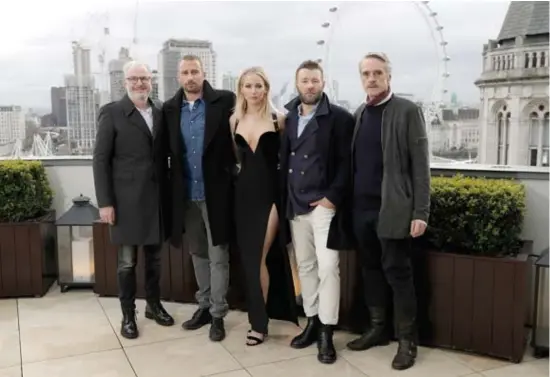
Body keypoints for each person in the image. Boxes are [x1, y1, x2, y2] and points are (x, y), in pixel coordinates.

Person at [345, 52, 430, 371]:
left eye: (378, 73)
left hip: (393, 210)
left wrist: (420, 211)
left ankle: (407, 341)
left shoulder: (407, 111)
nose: (372, 78)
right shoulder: (360, 114)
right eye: (366, 73)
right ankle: (378, 329)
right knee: (370, 271)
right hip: (361, 210)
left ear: (389, 77)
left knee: (398, 273)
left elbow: (421, 167)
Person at [92, 61, 174, 339]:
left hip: (156, 199)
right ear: (124, 82)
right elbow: (100, 160)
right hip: (125, 201)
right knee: (127, 262)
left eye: (145, 78)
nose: (140, 83)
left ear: (151, 81)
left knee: (155, 259)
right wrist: (105, 202)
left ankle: (153, 305)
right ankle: (128, 315)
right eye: (134, 78)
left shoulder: (162, 110)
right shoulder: (112, 113)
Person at [280, 60, 354, 364]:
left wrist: (331, 199)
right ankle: (311, 321)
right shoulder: (288, 118)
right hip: (295, 204)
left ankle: (326, 330)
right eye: (305, 81)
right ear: (297, 84)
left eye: (315, 80)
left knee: (328, 268)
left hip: (323, 207)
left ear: (323, 83)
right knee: (306, 267)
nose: (310, 86)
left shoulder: (340, 118)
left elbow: (347, 164)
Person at [163, 55, 235, 342]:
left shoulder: (225, 101)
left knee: (219, 256)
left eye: (195, 71)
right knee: (198, 254)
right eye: (185, 72)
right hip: (186, 195)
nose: (190, 77)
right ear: (178, 77)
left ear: (204, 74)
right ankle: (203, 306)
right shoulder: (169, 109)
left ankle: (218, 315)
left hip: (217, 193)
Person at [230, 66, 299, 346]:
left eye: (259, 86)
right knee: (249, 261)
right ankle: (259, 321)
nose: (254, 91)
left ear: (267, 89)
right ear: (241, 90)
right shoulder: (234, 120)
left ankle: (259, 324)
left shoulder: (279, 119)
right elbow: (235, 159)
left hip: (271, 196)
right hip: (243, 196)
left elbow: (289, 161)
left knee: (259, 256)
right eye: (248, 86)